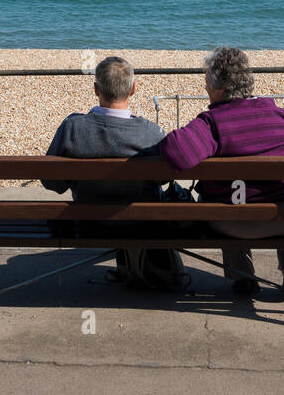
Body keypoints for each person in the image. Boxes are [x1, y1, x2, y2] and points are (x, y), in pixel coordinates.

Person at [160, 46, 284, 299]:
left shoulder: (212, 123)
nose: (206, 90)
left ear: (220, 88)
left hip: (233, 224)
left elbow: (176, 154)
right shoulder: (280, 116)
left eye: (207, 84)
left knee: (227, 199)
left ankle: (243, 277)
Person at [42, 55, 180, 287]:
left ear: (96, 89)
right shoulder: (151, 132)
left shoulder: (72, 128)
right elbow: (164, 178)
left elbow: (52, 183)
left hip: (88, 224)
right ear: (133, 89)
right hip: (141, 223)